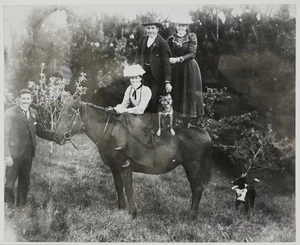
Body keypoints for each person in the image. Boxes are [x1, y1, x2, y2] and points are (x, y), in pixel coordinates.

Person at [4, 89, 55, 208]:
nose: (26, 101)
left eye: (28, 99)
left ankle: (21, 205)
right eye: (23, 98)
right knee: (10, 182)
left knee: (25, 181)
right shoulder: (10, 113)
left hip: (28, 153)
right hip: (13, 154)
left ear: (31, 100)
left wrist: (55, 136)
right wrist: (7, 155)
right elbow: (4, 135)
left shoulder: (34, 113)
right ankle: (8, 206)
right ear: (19, 99)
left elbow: (41, 131)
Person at [110, 65, 154, 168]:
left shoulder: (146, 90)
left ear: (140, 78)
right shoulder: (129, 89)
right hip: (133, 115)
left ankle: (130, 156)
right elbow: (124, 104)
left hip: (145, 117)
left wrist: (125, 110)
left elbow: (140, 109)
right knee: (122, 117)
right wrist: (115, 108)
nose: (133, 80)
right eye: (131, 78)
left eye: (136, 77)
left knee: (127, 120)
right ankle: (120, 144)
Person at [167, 15, 204, 126]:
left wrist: (178, 59)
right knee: (176, 91)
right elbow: (167, 52)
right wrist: (168, 59)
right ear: (176, 26)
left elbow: (192, 54)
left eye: (183, 25)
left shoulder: (191, 37)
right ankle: (172, 121)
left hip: (189, 68)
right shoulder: (171, 38)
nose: (181, 27)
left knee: (188, 92)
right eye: (179, 25)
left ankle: (186, 122)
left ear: (186, 26)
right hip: (176, 70)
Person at [135, 16, 172, 113]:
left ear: (157, 29)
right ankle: (144, 123)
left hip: (157, 77)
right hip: (144, 75)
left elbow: (166, 64)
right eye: (148, 28)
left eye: (152, 28)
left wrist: (167, 81)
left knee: (153, 99)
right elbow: (138, 57)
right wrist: (136, 73)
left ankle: (155, 125)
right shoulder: (143, 40)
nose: (150, 31)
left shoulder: (162, 43)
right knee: (142, 98)